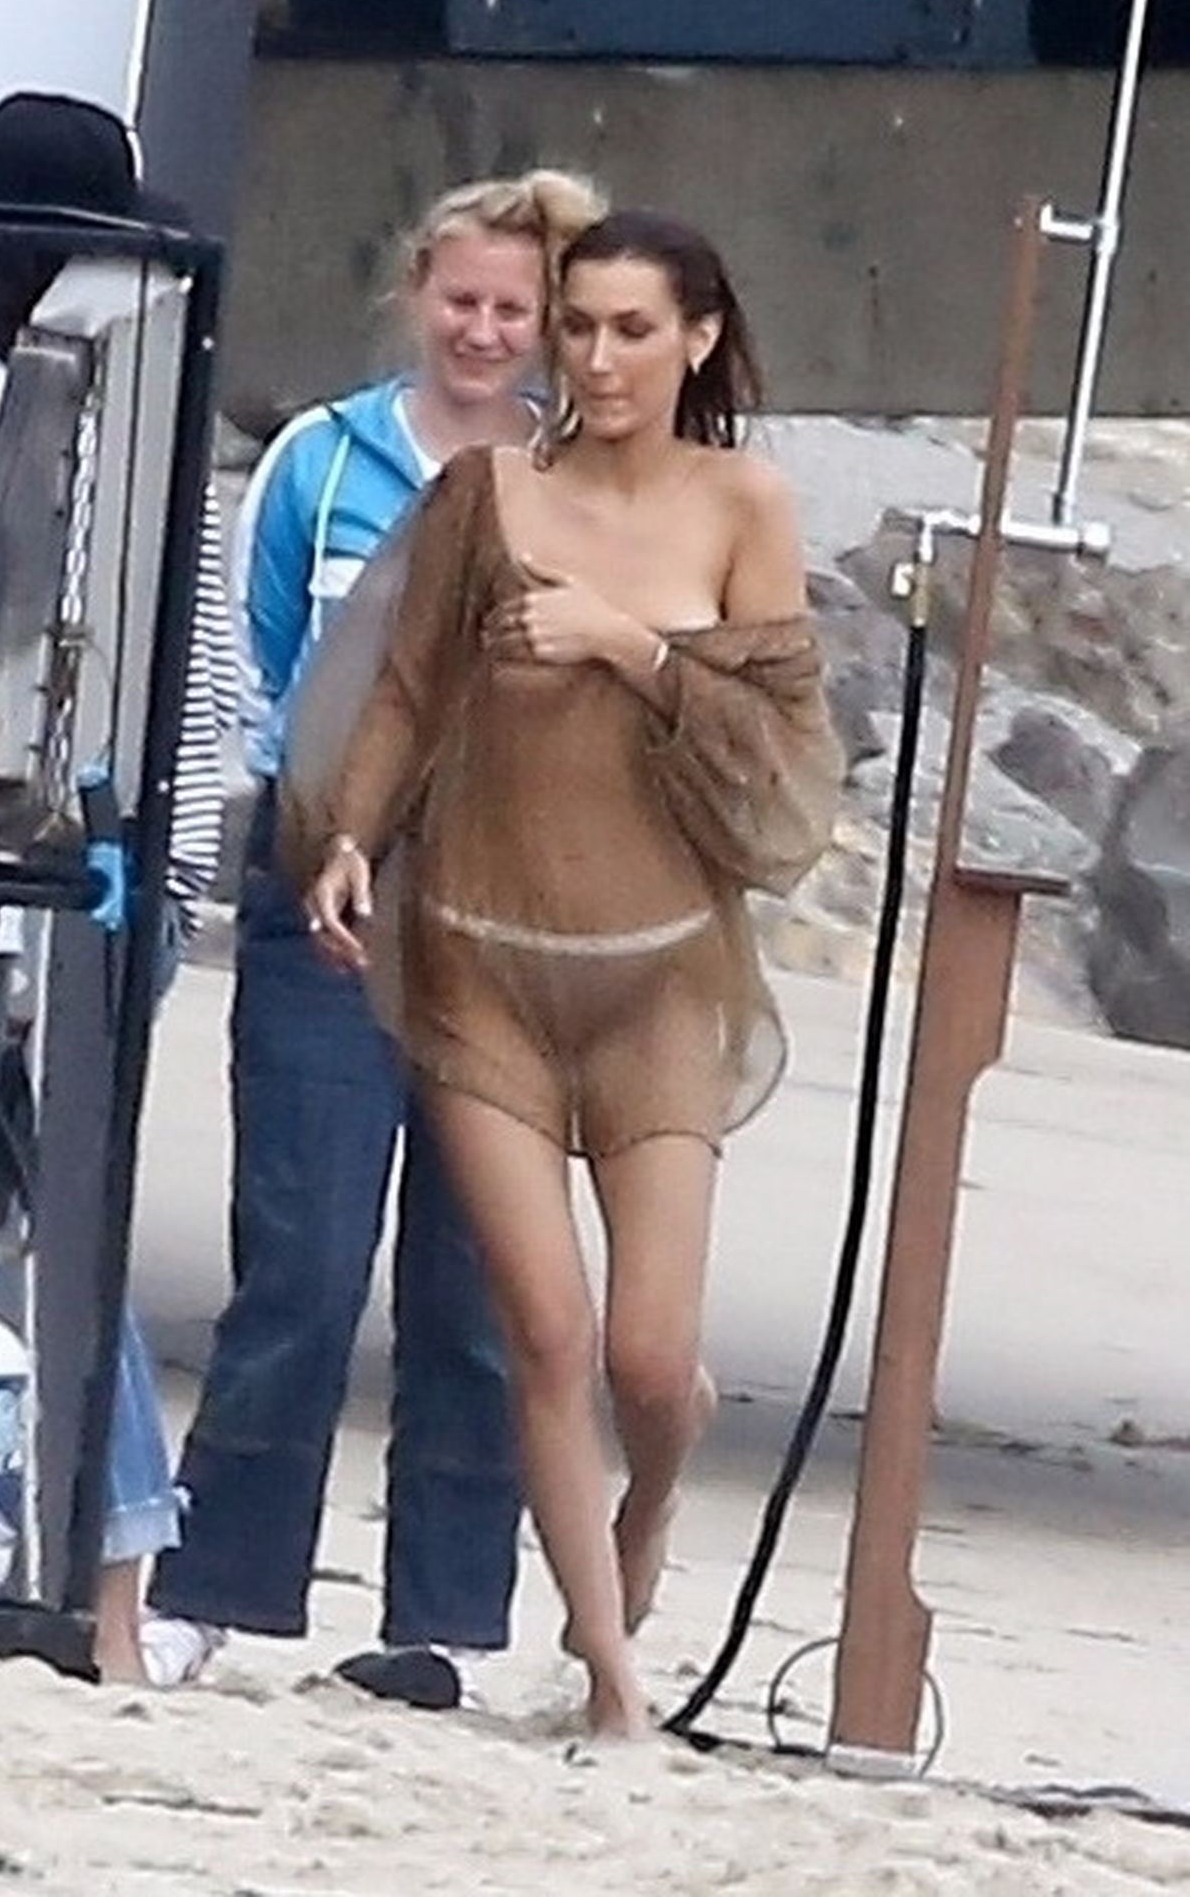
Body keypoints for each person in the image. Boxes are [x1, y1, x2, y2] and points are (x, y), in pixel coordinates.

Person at [297, 209, 844, 1736]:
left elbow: (784, 760)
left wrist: (631, 647)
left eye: (630, 331)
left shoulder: (742, 505)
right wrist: (347, 839)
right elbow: (405, 691)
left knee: (649, 1360)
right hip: (480, 963)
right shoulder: (485, 493)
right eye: (579, 326)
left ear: (697, 341)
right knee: (542, 1332)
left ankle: (651, 1496)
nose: (597, 360)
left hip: (659, 980)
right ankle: (609, 1676)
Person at [144, 169, 607, 1706]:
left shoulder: (582, 476)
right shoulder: (320, 458)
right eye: (460, 301)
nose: (482, 331)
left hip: (514, 920)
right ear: (418, 295)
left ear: (547, 324)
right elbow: (255, 661)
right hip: (328, 898)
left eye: (510, 310)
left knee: (472, 1289)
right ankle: (217, 1587)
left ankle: (445, 1621)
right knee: (300, 1260)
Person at [0, 91, 235, 1684]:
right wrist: (154, 872)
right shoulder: (77, 423)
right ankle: (108, 1588)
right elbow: (161, 679)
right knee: (17, 1227)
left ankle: (90, 1573)